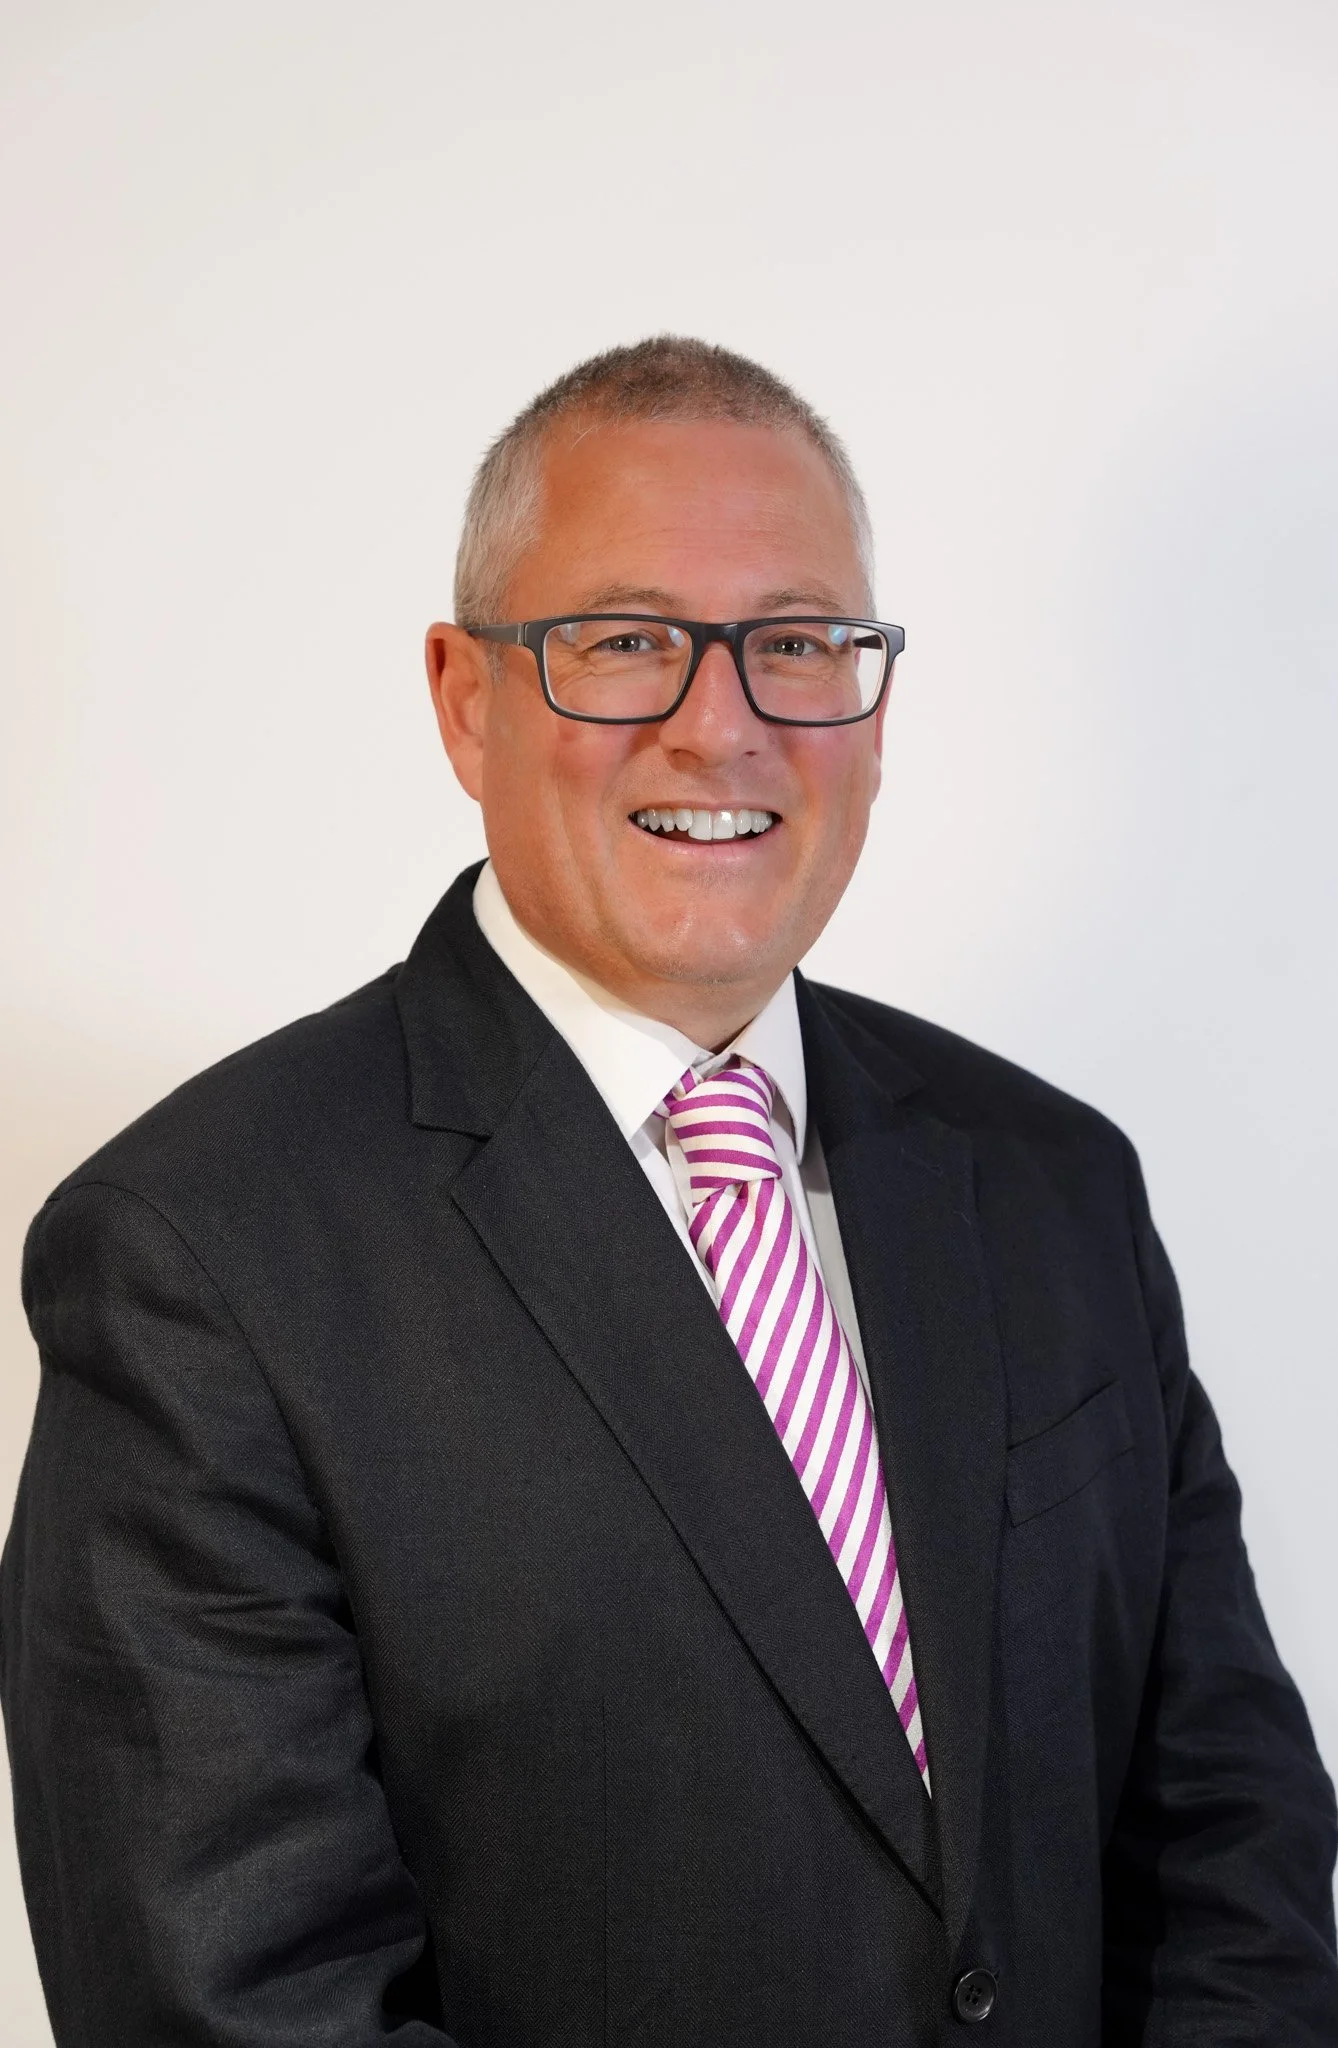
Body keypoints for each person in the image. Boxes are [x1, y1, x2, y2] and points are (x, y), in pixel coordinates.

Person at [3, 336, 1336, 2048]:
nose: (722, 727)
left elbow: (1232, 1844)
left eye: (796, 643)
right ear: (465, 699)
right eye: (624, 642)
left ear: (872, 705)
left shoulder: (1051, 1181)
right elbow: (236, 2004)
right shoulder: (203, 1254)